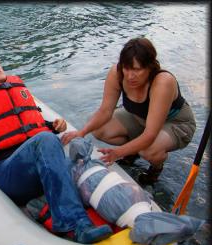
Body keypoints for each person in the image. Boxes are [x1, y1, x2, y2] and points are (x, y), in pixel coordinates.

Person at [0, 53, 113, 244]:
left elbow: (30, 125)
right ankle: (73, 225)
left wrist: (53, 126)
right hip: (7, 172)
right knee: (47, 141)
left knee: (68, 153)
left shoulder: (16, 88)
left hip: (36, 165)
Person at [61, 37, 196, 185]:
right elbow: (105, 110)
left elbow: (150, 134)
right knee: (99, 129)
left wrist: (118, 152)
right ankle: (134, 149)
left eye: (137, 69)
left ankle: (156, 167)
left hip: (175, 122)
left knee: (148, 150)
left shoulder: (162, 82)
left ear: (150, 67)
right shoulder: (117, 72)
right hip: (139, 118)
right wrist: (81, 132)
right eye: (127, 68)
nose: (130, 76)